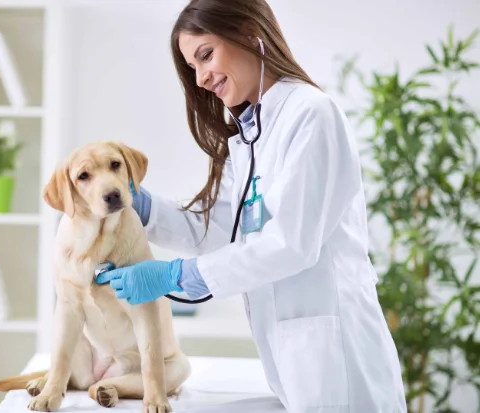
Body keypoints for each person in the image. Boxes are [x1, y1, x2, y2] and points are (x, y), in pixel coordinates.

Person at [95, 0, 407, 412]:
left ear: (246, 31)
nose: (202, 78)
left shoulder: (311, 114)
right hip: (296, 363)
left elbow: (291, 243)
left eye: (205, 55)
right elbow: (222, 231)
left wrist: (178, 275)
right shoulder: (247, 140)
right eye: (193, 67)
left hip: (340, 362)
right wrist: (139, 206)